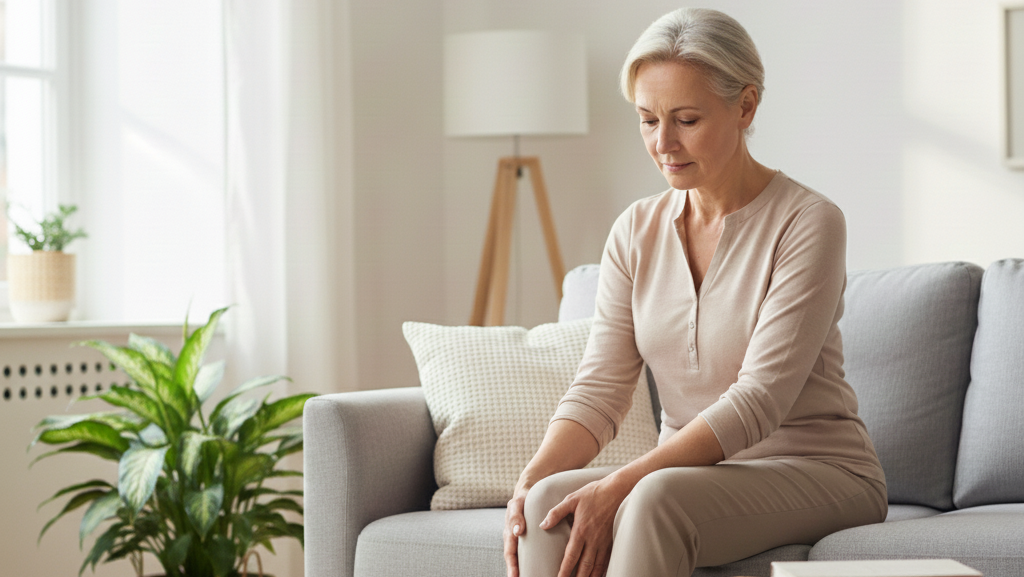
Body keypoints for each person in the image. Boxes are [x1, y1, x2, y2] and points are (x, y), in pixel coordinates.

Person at [502, 7, 888, 577]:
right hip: (691, 473)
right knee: (545, 506)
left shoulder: (808, 221)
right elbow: (600, 391)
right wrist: (528, 479)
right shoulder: (634, 230)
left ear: (746, 106)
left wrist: (625, 481)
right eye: (648, 120)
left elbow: (759, 400)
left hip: (816, 467)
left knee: (653, 500)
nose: (664, 143)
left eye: (685, 119)